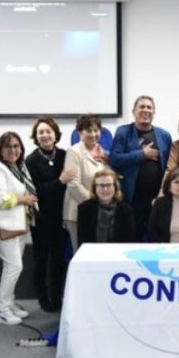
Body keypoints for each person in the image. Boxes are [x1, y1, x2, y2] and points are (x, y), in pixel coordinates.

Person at [0, 131, 37, 326]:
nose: (13, 150)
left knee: (15, 265)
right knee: (14, 266)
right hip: (4, 223)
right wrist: (24, 199)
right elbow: (1, 200)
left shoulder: (19, 166)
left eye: (17, 146)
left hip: (20, 223)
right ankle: (2, 310)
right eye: (8, 146)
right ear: (0, 149)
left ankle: (10, 302)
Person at [25, 116, 73, 312]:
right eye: (41, 132)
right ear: (36, 137)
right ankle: (43, 297)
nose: (45, 135)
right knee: (41, 258)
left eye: (48, 131)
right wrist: (59, 181)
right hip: (42, 218)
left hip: (61, 216)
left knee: (59, 258)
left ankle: (57, 295)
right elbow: (35, 191)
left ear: (55, 134)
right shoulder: (31, 160)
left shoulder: (63, 155)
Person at [110, 95, 172, 241]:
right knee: (132, 239)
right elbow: (115, 159)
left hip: (157, 200)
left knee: (157, 239)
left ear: (154, 112)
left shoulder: (164, 135)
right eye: (142, 107)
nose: (145, 110)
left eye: (149, 107)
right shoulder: (123, 132)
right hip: (131, 199)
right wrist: (142, 154)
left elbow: (170, 166)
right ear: (133, 112)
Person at [63, 113, 109, 253]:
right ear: (79, 132)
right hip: (78, 213)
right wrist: (94, 203)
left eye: (96, 130)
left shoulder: (102, 152)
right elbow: (73, 184)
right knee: (82, 255)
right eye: (89, 130)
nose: (93, 134)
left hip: (98, 212)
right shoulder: (74, 151)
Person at [77, 168, 135, 245]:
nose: (105, 189)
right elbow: (82, 242)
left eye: (109, 185)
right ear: (95, 188)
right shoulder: (84, 209)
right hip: (91, 254)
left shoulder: (126, 210)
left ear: (115, 187)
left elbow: (129, 242)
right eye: (101, 185)